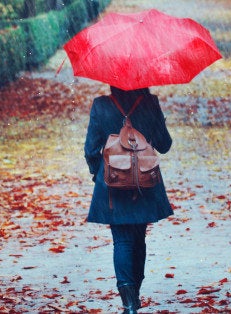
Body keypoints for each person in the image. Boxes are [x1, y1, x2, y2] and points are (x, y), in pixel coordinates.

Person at [84, 86, 173, 313]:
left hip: (114, 183)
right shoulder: (149, 103)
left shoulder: (101, 105)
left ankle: (129, 303)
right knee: (138, 238)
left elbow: (90, 149)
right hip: (144, 182)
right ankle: (135, 295)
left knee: (121, 240)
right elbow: (165, 145)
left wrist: (100, 173)